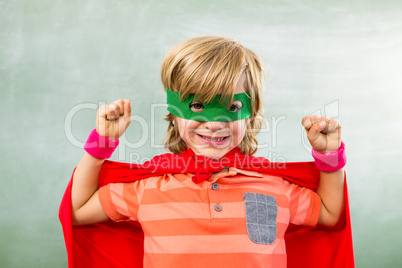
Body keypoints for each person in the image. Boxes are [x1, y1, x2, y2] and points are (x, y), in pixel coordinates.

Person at [62, 36, 352, 267]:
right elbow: (78, 212)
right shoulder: (147, 187)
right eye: (197, 106)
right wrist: (101, 144)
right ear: (174, 115)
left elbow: (329, 215)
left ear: (251, 115)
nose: (214, 123)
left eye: (233, 107)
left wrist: (329, 158)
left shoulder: (275, 186)